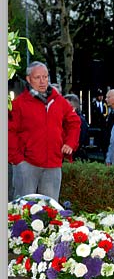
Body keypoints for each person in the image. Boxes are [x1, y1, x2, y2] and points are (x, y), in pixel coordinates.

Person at [8, 61, 81, 201]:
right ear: (29, 79)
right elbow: (9, 132)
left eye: (45, 77)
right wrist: (17, 159)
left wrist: (70, 143)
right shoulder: (19, 104)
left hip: (53, 164)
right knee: (23, 209)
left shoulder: (59, 101)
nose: (43, 81)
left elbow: (74, 122)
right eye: (38, 77)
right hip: (26, 165)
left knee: (51, 210)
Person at [64, 94, 90, 161]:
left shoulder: (80, 120)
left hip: (76, 155)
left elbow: (81, 139)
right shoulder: (65, 119)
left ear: (73, 107)